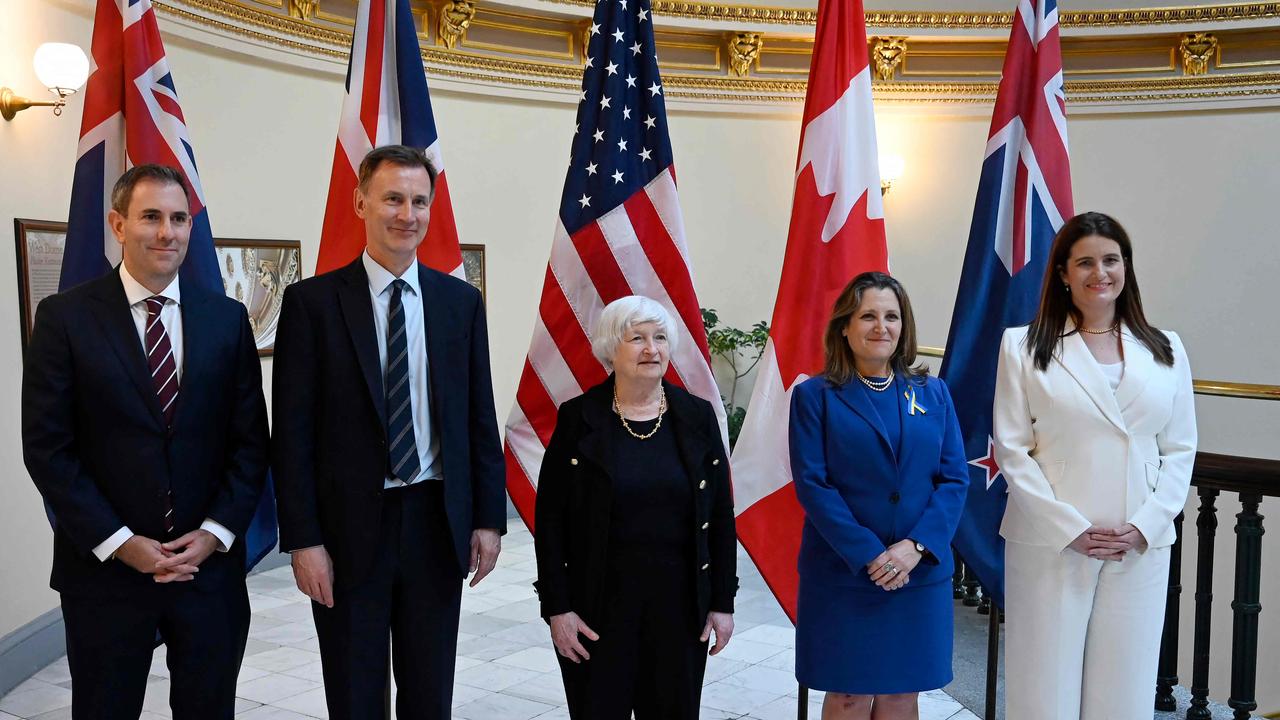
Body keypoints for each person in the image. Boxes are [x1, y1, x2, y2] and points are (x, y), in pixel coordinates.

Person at [22, 164, 269, 720]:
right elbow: (47, 448)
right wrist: (119, 541)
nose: (167, 232)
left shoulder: (227, 320)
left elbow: (251, 442)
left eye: (179, 219)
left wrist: (215, 533)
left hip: (207, 573)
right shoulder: (64, 319)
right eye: (151, 217)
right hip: (106, 574)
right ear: (117, 223)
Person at [271, 144, 507, 719]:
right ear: (361, 202)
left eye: (420, 201)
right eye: (393, 199)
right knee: (354, 692)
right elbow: (293, 436)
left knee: (431, 691)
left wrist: (488, 519)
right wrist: (303, 541)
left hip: (435, 521)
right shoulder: (312, 304)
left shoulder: (460, 304)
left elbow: (478, 416)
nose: (408, 214)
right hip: (348, 530)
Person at [996, 211, 1197, 720]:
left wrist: (1146, 525)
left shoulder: (1166, 348)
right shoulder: (1022, 345)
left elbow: (1179, 448)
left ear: (1126, 267)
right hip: (1052, 541)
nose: (1099, 273)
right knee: (1044, 688)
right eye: (1084, 262)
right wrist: (1069, 528)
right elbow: (1013, 449)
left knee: (1125, 690)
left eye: (1111, 260)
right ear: (1063, 273)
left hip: (1138, 543)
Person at [534, 295, 737, 720]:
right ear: (611, 347)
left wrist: (722, 603)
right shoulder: (579, 418)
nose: (652, 349)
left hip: (681, 612)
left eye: (660, 338)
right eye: (637, 339)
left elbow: (719, 515)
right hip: (596, 611)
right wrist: (558, 608)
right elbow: (550, 520)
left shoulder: (697, 417)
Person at [788, 271, 969, 720]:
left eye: (891, 316)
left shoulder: (934, 393)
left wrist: (914, 548)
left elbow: (954, 479)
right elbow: (813, 484)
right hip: (845, 573)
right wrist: (872, 554)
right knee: (848, 694)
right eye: (867, 315)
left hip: (916, 574)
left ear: (903, 327)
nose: (880, 326)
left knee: (901, 695)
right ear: (845, 327)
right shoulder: (815, 396)